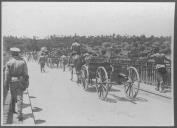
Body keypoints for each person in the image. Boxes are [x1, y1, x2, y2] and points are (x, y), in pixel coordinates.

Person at [4, 47, 29, 121]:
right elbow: (26, 74)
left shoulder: (9, 62)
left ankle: (13, 110)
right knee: (20, 98)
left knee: (13, 97)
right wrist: (26, 83)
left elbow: (7, 75)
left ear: (12, 54)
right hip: (20, 81)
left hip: (12, 82)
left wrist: (6, 84)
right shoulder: (22, 62)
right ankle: (19, 114)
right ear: (18, 53)